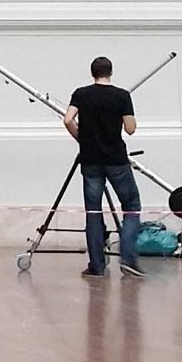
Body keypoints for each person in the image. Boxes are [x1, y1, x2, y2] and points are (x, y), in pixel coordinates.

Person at [63, 56, 143, 278]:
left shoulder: (81, 94)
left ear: (92, 73)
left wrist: (82, 139)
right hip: (116, 160)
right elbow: (130, 129)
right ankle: (127, 258)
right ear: (111, 72)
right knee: (131, 207)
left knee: (94, 212)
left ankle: (96, 266)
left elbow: (68, 119)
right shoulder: (122, 96)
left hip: (90, 160)